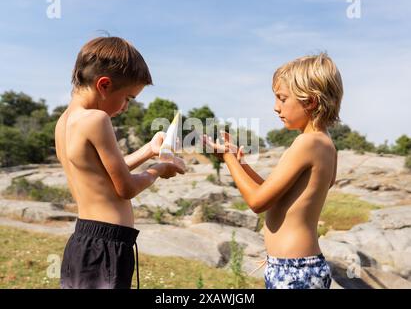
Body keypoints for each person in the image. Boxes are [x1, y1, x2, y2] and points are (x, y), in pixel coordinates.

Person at [55, 36, 185, 289]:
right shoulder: (96, 120)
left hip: (84, 241)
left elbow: (105, 172)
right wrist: (159, 169)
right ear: (104, 85)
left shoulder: (65, 121)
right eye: (128, 98)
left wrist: (149, 150)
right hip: (106, 246)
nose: (125, 107)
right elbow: (124, 188)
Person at [204, 53, 343, 289]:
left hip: (294, 269)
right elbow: (274, 196)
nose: (276, 107)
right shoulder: (325, 144)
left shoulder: (307, 144)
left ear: (309, 101)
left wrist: (227, 157)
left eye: (282, 98)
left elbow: (258, 202)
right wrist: (241, 163)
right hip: (296, 267)